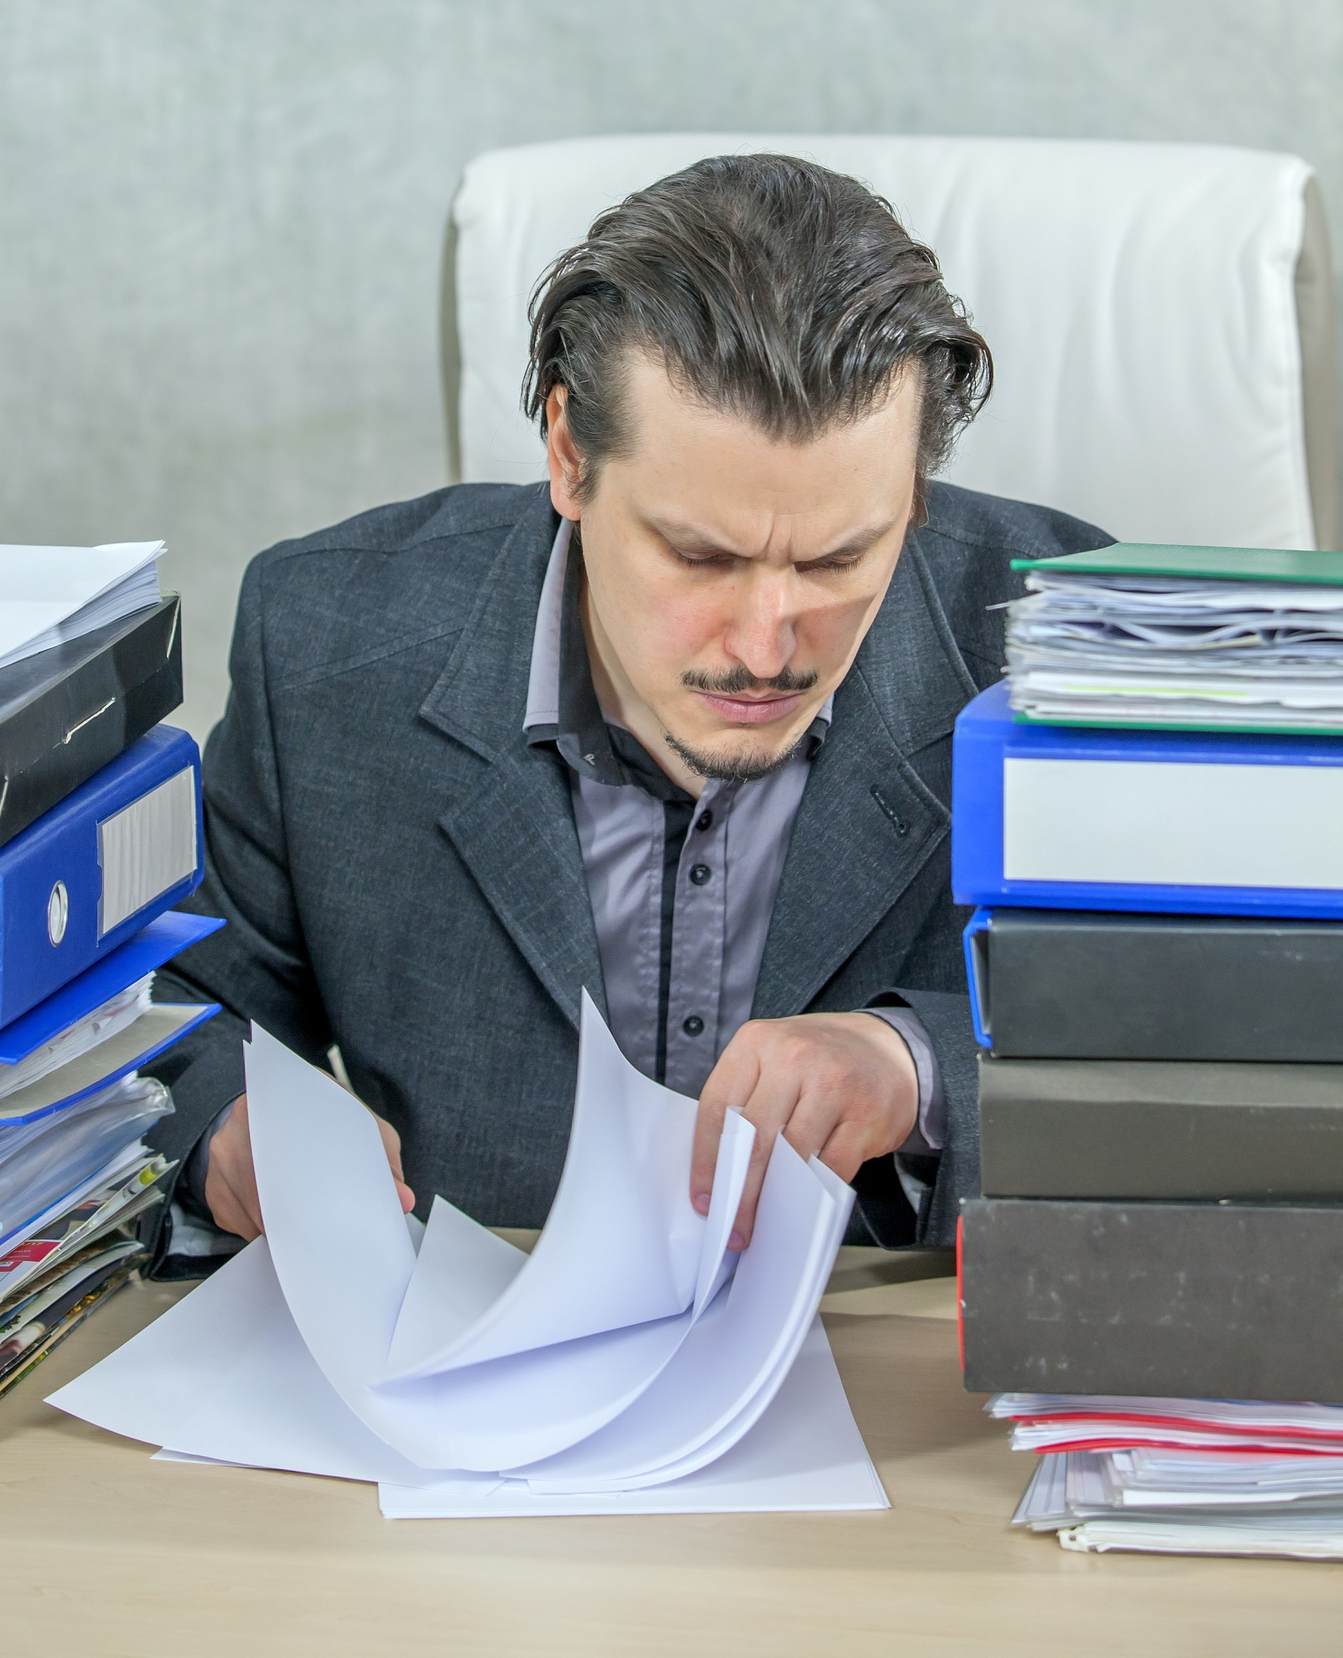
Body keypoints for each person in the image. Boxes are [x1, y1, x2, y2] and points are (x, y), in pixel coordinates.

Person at [144, 152, 1107, 1277]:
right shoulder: (328, 642)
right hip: (462, 1381)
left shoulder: (1070, 654)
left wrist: (919, 1065)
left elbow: (1212, 1041)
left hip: (893, 1383)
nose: (762, 644)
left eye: (841, 556)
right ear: (566, 452)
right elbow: (170, 999)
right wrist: (225, 1132)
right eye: (697, 554)